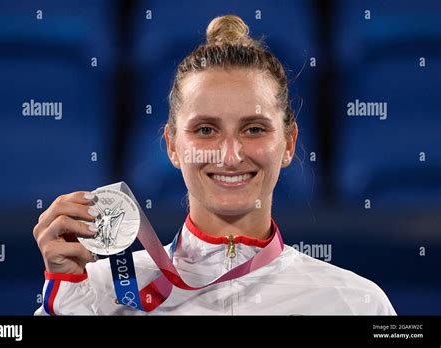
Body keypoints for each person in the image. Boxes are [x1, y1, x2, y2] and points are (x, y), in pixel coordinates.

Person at [33, 15, 396, 315]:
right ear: (172, 146)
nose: (230, 155)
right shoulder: (101, 293)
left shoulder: (356, 303)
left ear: (288, 144)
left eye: (254, 129)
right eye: (206, 130)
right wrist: (67, 296)